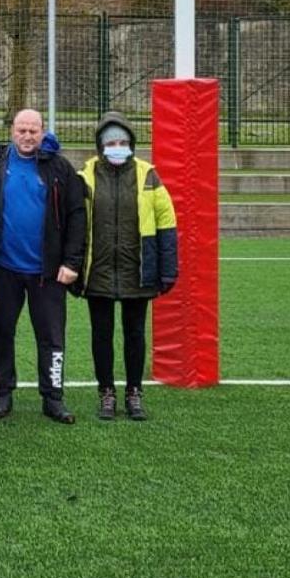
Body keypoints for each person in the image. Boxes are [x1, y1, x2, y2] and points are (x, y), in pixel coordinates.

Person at [0, 109, 85, 423]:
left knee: (51, 336)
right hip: (3, 268)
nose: (27, 136)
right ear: (12, 131)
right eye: (21, 130)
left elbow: (77, 216)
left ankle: (53, 397)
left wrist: (71, 262)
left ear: (42, 131)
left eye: (33, 131)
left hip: (47, 272)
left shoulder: (60, 167)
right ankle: (4, 392)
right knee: (1, 331)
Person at [78, 112, 178, 422]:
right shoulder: (85, 177)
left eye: (122, 141)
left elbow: (167, 223)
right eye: (111, 142)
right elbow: (74, 223)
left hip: (138, 268)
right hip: (99, 270)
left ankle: (134, 392)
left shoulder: (149, 175)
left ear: (131, 144)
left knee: (135, 334)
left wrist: (167, 268)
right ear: (100, 145)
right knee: (101, 334)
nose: (117, 146)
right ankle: (106, 392)